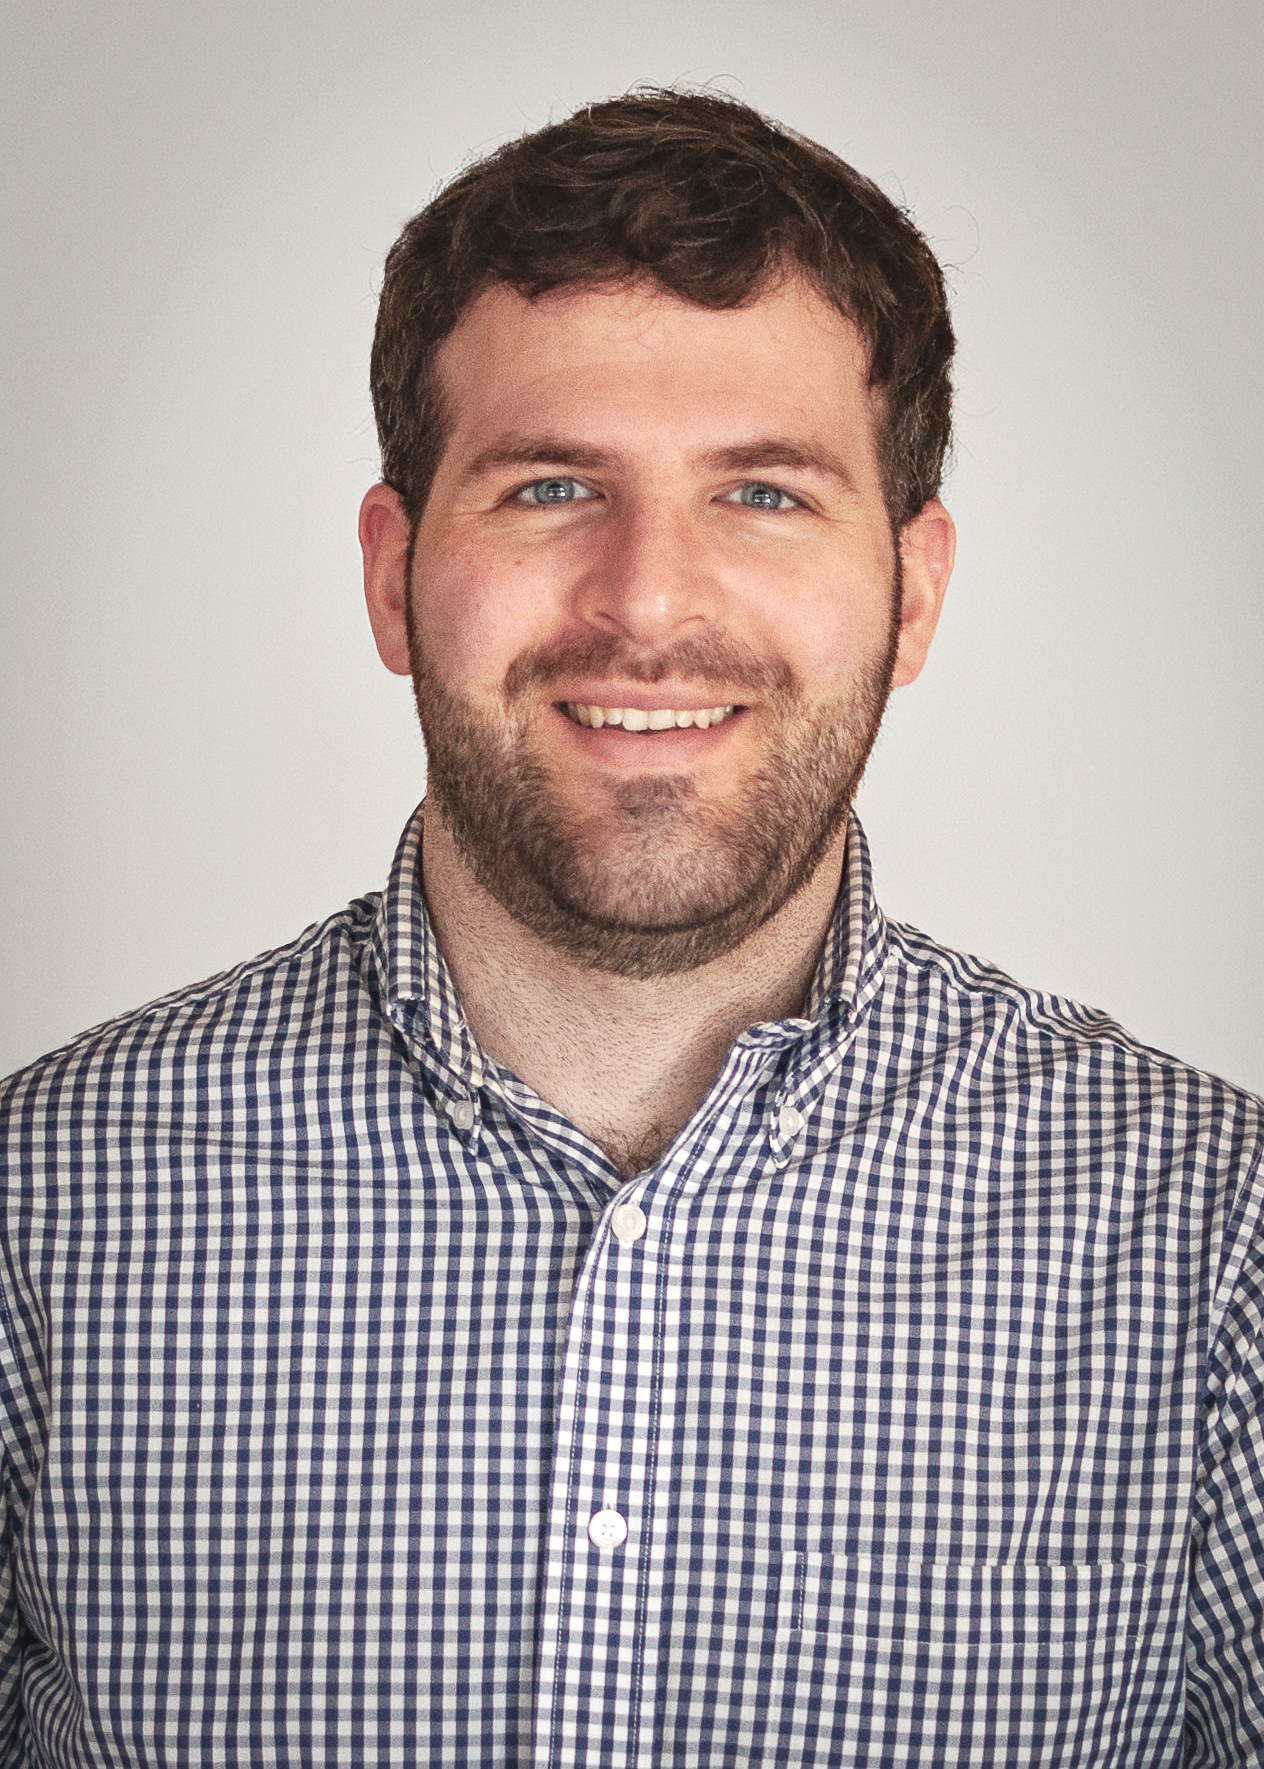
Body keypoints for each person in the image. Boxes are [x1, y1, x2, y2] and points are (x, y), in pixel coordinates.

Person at [0, 86, 1261, 1768]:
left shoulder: (1210, 1245)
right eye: (545, 488)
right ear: (392, 575)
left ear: (917, 589)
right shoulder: (43, 1205)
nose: (648, 603)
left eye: (763, 494)